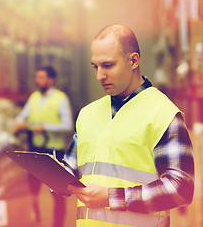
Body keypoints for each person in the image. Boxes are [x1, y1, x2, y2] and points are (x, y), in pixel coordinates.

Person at [62, 25, 194, 227]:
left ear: (133, 61)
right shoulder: (87, 114)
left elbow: (180, 189)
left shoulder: (163, 114)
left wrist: (111, 198)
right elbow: (71, 168)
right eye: (95, 67)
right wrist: (54, 176)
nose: (99, 76)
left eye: (107, 65)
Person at [14, 65, 73, 227]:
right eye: (36, 77)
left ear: (50, 79)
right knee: (32, 190)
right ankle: (36, 220)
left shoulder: (60, 99)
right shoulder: (34, 97)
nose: (37, 80)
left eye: (41, 77)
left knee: (57, 194)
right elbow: (22, 116)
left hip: (53, 153)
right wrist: (19, 123)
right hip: (35, 151)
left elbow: (68, 124)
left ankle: (57, 225)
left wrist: (45, 127)